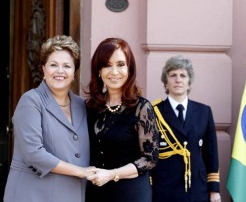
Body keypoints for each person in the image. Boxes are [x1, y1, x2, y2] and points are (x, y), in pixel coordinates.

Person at [3, 35, 92, 202]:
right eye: (53, 65)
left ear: (74, 72)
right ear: (43, 69)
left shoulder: (82, 105)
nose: (60, 71)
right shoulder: (30, 101)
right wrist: (81, 171)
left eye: (67, 66)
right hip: (33, 195)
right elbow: (34, 153)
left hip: (72, 195)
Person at [84, 37, 159, 202]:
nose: (114, 72)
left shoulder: (142, 108)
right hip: (95, 192)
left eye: (120, 64)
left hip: (131, 192)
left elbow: (149, 159)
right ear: (98, 70)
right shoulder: (90, 107)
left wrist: (111, 175)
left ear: (129, 68)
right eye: (107, 65)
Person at [151, 55, 221, 202]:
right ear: (166, 82)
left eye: (183, 75)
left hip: (196, 187)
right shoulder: (154, 112)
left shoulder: (204, 112)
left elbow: (211, 154)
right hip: (164, 188)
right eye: (173, 75)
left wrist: (214, 189)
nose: (178, 80)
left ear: (189, 82)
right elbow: (149, 155)